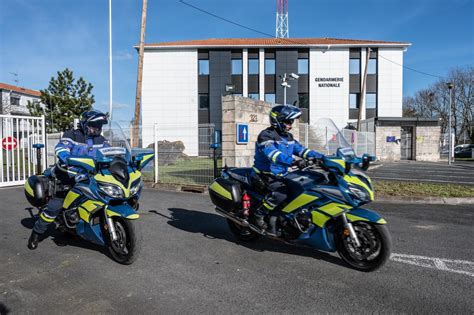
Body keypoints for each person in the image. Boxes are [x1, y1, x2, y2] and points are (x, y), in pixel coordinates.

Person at [27, 109, 110, 250]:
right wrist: (66, 157)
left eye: (100, 125)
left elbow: (108, 153)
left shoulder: (101, 140)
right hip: (67, 175)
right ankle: (36, 233)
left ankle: (76, 228)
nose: (97, 128)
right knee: (55, 207)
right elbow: (61, 148)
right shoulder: (71, 135)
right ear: (84, 123)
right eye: (94, 125)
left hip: (89, 177)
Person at [251, 104, 324, 234]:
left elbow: (302, 150)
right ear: (277, 120)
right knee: (281, 193)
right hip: (265, 175)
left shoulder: (288, 137)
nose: (290, 125)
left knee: (305, 187)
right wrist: (294, 161)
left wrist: (324, 158)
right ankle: (259, 214)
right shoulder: (265, 136)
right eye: (287, 122)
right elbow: (274, 155)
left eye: (291, 122)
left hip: (282, 175)